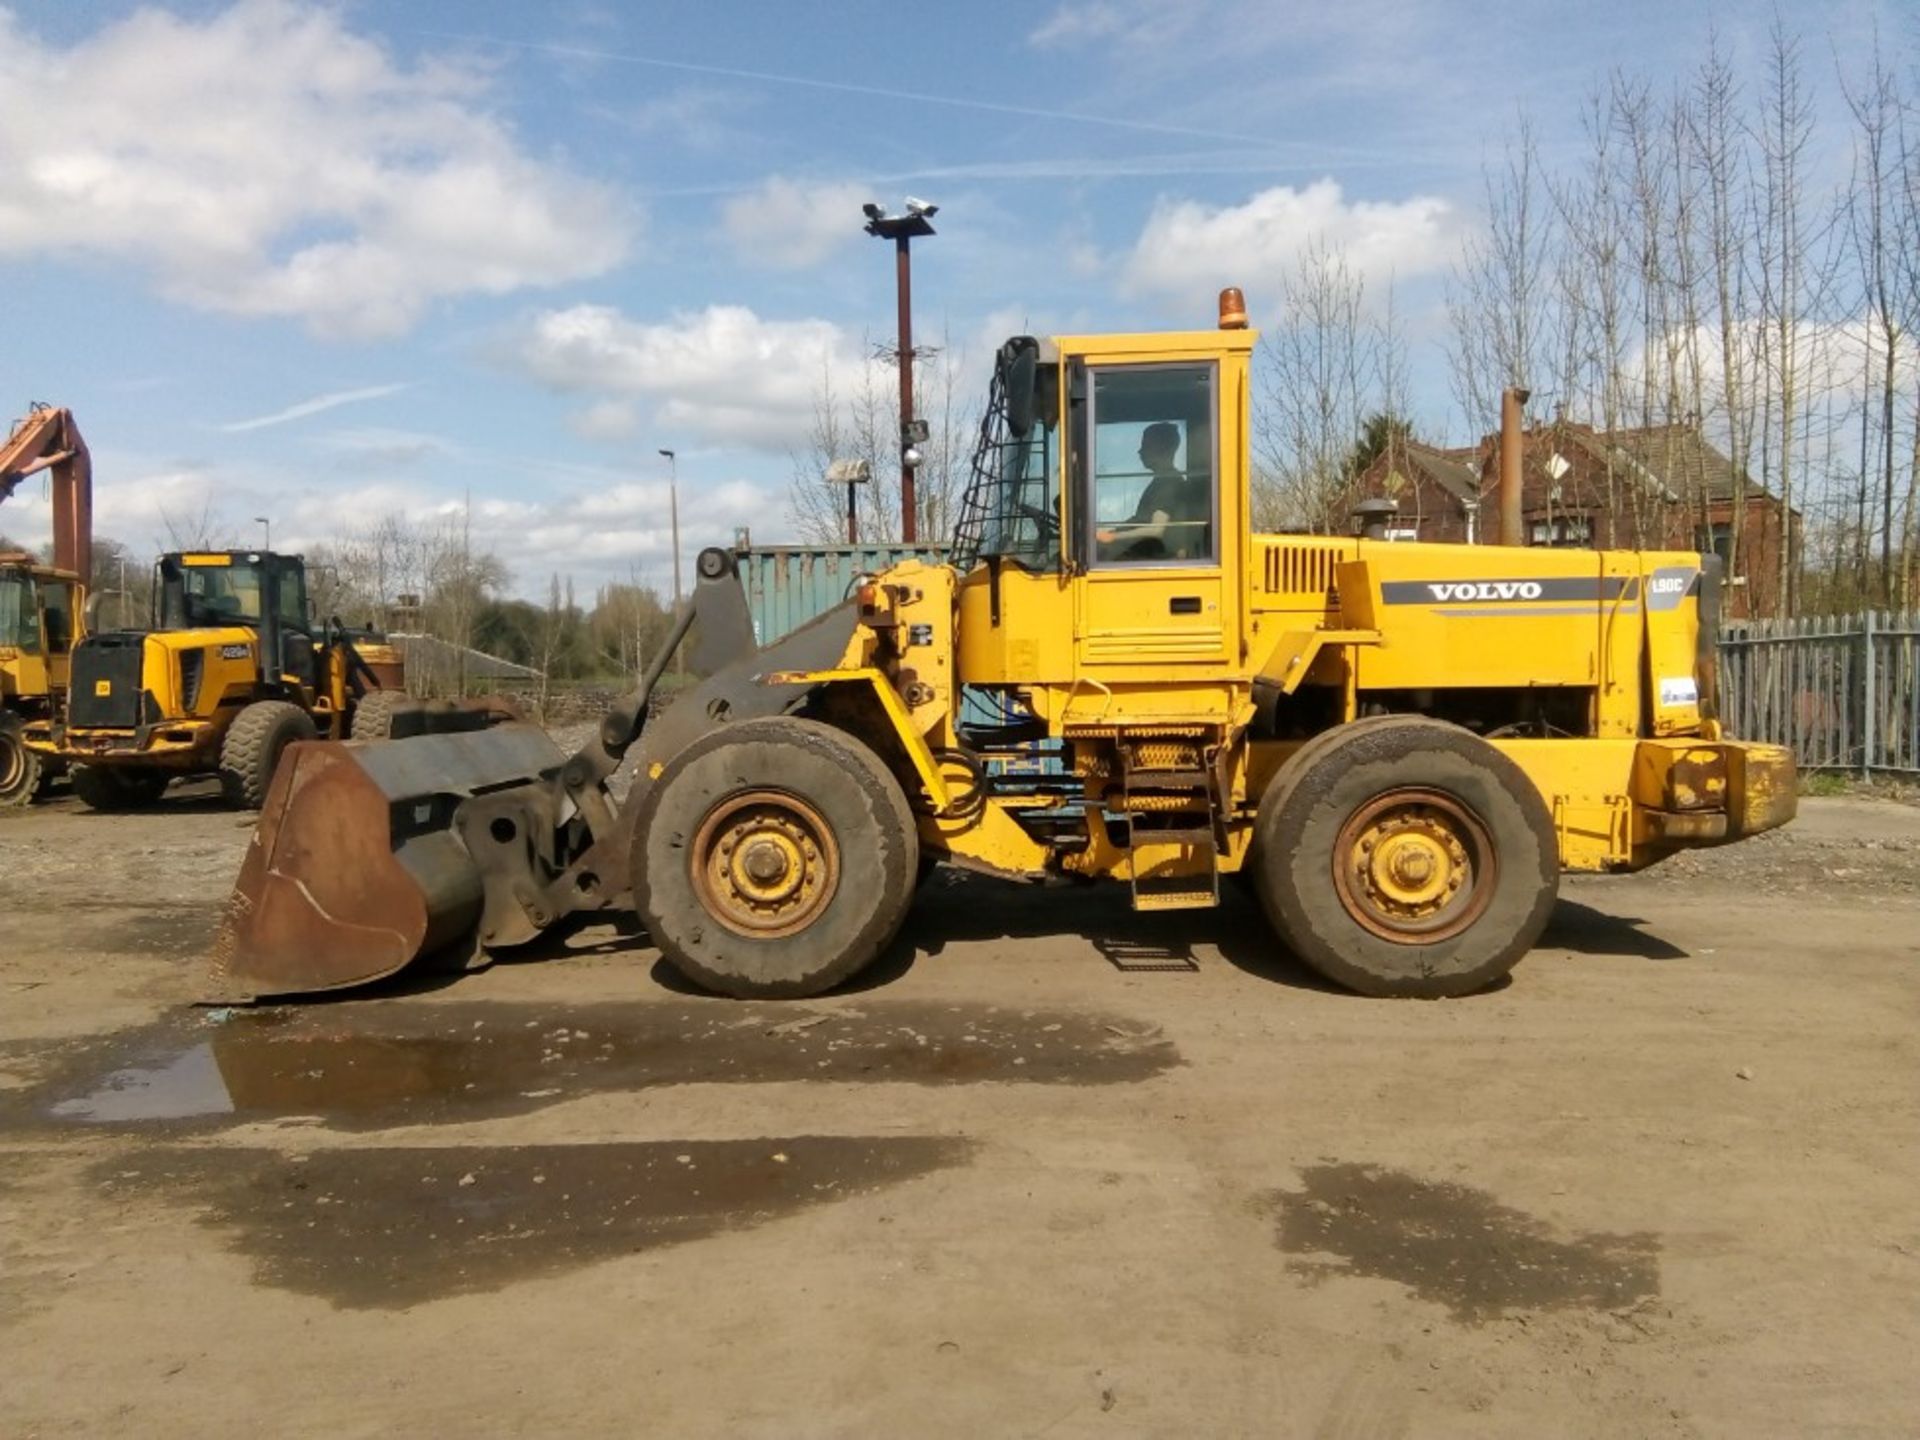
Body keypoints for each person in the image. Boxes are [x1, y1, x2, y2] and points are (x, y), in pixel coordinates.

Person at [1097, 421, 1208, 560]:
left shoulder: (1169, 484)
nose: (1140, 451)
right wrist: (1113, 531)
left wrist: (1113, 537)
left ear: (1161, 448)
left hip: (1156, 558)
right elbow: (1140, 521)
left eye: (1145, 446)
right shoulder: (1161, 482)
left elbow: (1155, 530)